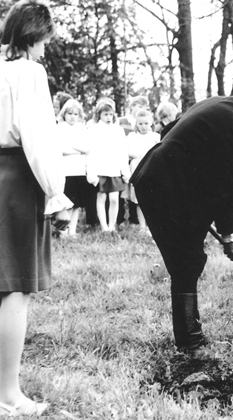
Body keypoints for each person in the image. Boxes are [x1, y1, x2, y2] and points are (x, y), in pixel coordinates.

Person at [130, 84, 233, 358]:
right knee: (187, 260)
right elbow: (222, 190)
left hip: (161, 180)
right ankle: (190, 342)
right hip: (165, 187)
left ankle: (189, 337)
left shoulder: (218, 104)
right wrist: (231, 236)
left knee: (187, 259)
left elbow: (170, 131)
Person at [0, 1, 72, 416]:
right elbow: (38, 138)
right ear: (33, 35)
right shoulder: (28, 72)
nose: (46, 48)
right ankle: (8, 394)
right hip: (17, 178)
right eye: (45, 40)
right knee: (16, 287)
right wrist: (56, 193)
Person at [86, 98, 130, 232]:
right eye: (105, 114)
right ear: (99, 114)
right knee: (101, 198)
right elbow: (91, 152)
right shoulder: (94, 129)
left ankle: (112, 226)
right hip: (100, 169)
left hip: (114, 169)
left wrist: (125, 171)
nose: (109, 117)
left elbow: (123, 151)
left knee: (114, 199)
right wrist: (91, 172)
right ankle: (104, 227)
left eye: (111, 114)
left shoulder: (118, 130)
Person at [57, 98, 95, 236]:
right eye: (69, 113)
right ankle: (63, 231)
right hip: (65, 171)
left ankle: (72, 231)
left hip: (79, 170)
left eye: (75, 114)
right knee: (66, 202)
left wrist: (73, 146)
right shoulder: (60, 128)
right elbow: (60, 148)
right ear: (64, 114)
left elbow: (88, 147)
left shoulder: (82, 128)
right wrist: (78, 149)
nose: (72, 117)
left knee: (76, 204)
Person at [125, 109, 159, 229]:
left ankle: (152, 226)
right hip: (137, 169)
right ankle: (142, 225)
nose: (143, 126)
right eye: (140, 124)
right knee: (139, 199)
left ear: (151, 123)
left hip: (151, 169)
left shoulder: (155, 137)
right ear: (136, 124)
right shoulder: (132, 137)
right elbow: (128, 152)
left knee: (152, 198)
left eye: (146, 123)